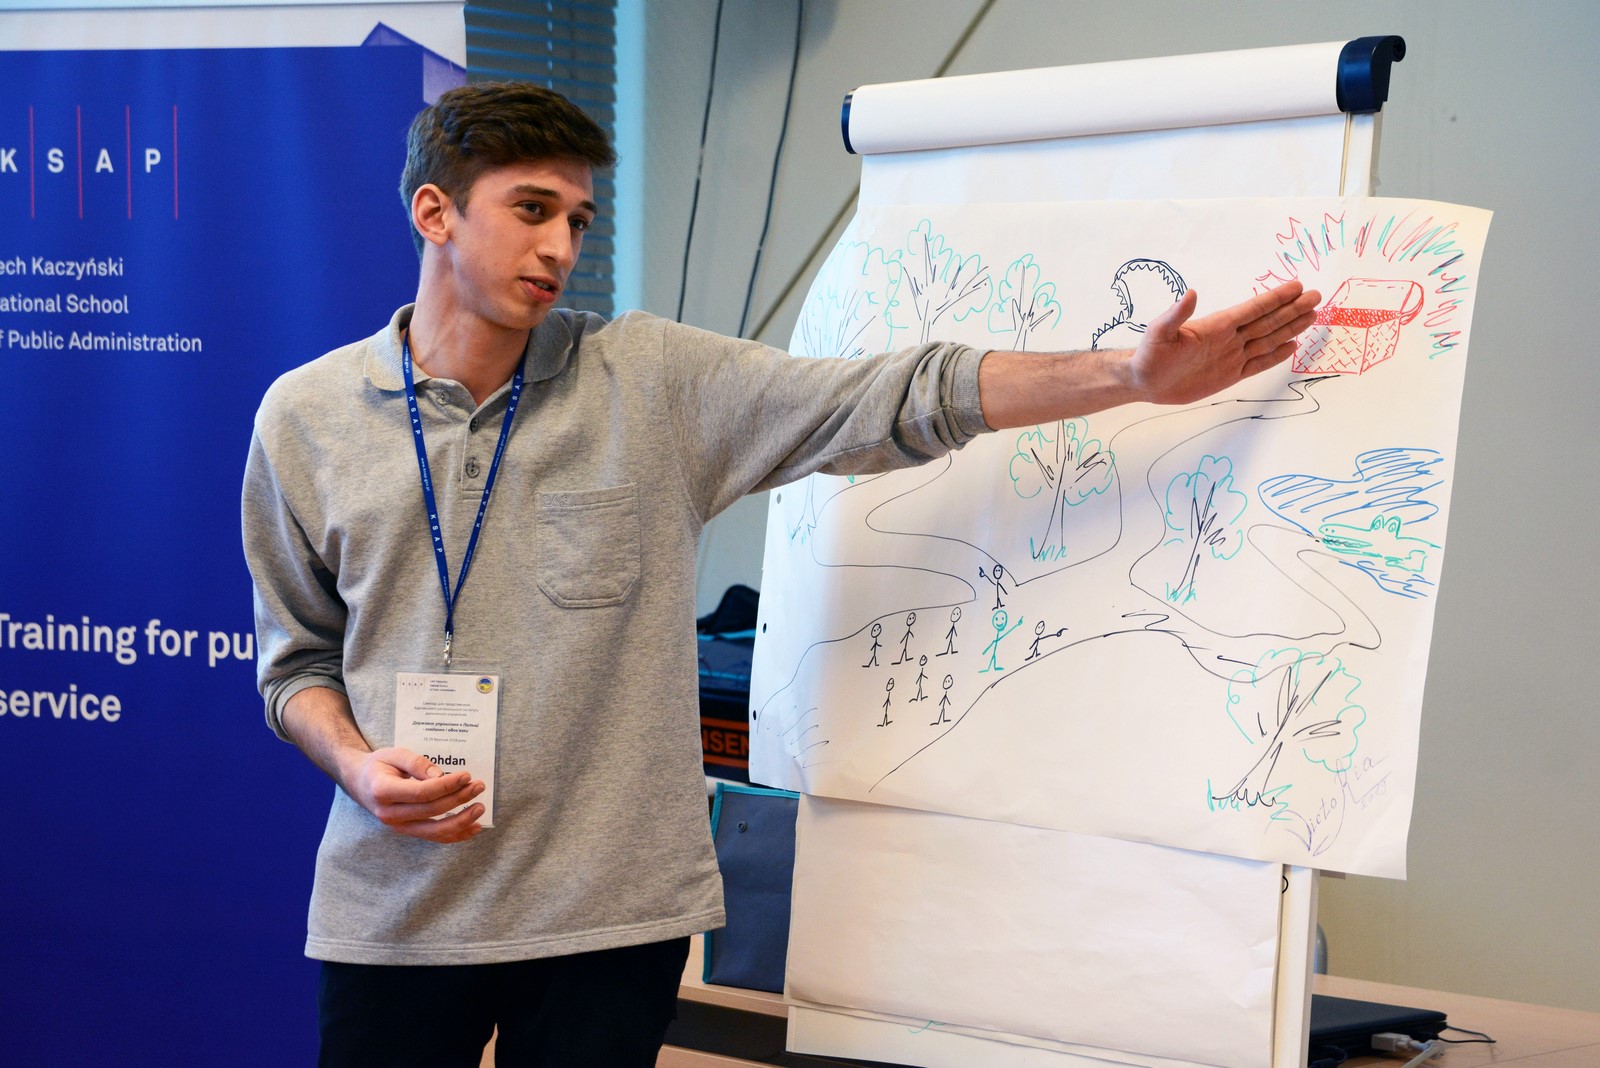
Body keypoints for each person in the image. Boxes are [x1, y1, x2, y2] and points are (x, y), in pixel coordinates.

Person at [242, 81, 1319, 1067]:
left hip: (610, 919)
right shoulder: (307, 418)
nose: (561, 246)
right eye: (532, 210)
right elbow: (296, 666)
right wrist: (357, 767)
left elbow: (893, 396)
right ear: (435, 214)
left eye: (578, 220)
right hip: (397, 910)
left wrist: (1127, 375)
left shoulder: (649, 381)